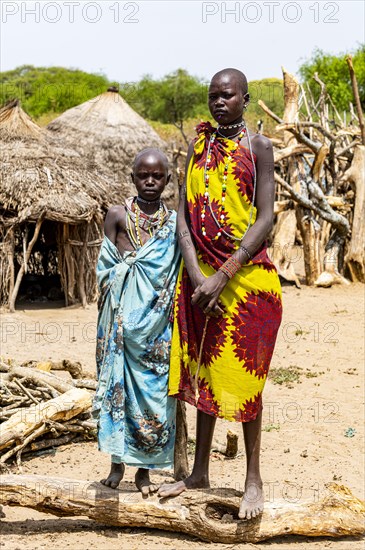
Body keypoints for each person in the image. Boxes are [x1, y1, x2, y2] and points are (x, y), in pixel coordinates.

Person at [158, 69, 283, 519]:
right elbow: (184, 221)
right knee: (204, 372)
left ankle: (253, 478)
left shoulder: (259, 148)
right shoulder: (197, 147)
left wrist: (224, 273)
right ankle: (199, 472)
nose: (218, 102)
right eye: (212, 96)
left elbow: (264, 218)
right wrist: (196, 277)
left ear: (245, 99)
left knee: (247, 381)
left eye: (227, 95)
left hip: (247, 283)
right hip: (200, 284)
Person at [92, 148, 180, 495]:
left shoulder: (175, 223)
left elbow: (176, 273)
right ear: (132, 178)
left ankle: (144, 470)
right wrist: (126, 267)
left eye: (157, 176)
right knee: (118, 394)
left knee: (155, 398)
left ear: (168, 180)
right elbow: (103, 271)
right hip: (118, 327)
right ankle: (116, 465)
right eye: (143, 175)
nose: (150, 181)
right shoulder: (116, 216)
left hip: (157, 330)